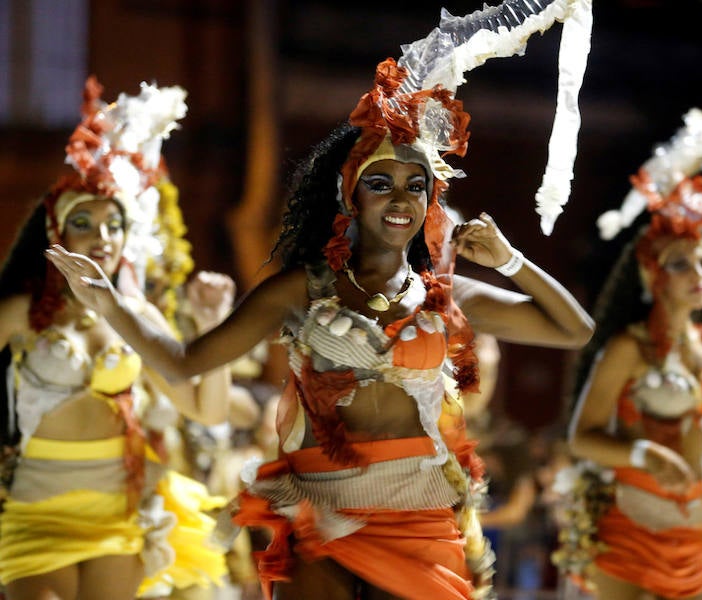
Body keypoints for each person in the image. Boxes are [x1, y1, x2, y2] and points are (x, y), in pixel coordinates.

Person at [44, 3, 597, 598]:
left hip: (420, 523)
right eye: (380, 184)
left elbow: (574, 330)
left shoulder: (446, 294)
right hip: (327, 517)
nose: (401, 200)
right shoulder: (302, 288)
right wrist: (107, 302)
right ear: (349, 196)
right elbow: (183, 362)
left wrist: (512, 260)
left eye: (417, 186)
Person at [0, 77, 231, 599]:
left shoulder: (136, 315)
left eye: (113, 225)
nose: (101, 238)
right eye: (84, 222)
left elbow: (207, 410)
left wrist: (212, 328)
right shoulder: (20, 314)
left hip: (116, 513)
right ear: (57, 233)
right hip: (34, 511)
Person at [553, 108, 702, 600]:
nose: (698, 270)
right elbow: (582, 439)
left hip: (692, 530)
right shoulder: (629, 348)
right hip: (629, 523)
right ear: (651, 278)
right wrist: (644, 453)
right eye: (680, 263)